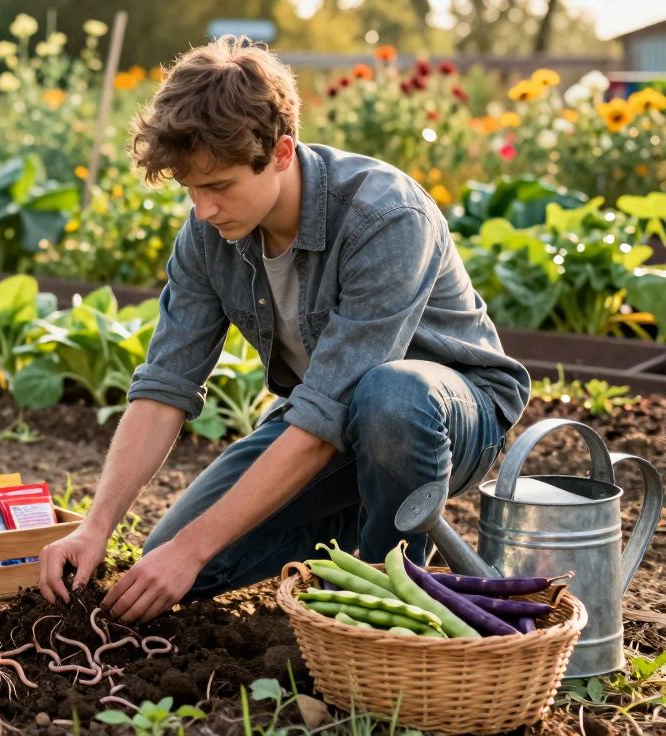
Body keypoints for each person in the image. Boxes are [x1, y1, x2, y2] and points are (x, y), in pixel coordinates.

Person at [36, 36, 530, 623]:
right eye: (190, 189)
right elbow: (165, 386)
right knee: (168, 567)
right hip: (326, 422)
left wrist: (193, 548)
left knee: (391, 399)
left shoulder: (386, 216)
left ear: (280, 152)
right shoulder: (207, 236)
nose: (203, 209)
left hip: (448, 418)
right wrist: (95, 529)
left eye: (218, 186)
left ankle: (385, 598)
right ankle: (353, 528)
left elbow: (330, 414)